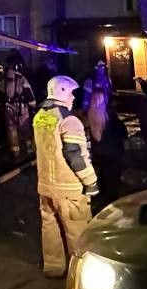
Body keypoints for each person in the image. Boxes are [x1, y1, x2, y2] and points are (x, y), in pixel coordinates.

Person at [32, 75, 99, 277]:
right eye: (70, 93)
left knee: (50, 228)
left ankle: (53, 267)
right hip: (68, 188)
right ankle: (80, 274)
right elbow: (75, 155)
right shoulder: (69, 121)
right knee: (78, 231)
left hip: (45, 186)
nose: (73, 98)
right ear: (61, 93)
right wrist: (91, 181)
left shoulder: (40, 116)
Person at [85, 88, 127, 210]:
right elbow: (121, 131)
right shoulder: (108, 114)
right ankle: (112, 202)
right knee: (113, 178)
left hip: (98, 152)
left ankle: (102, 198)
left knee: (103, 175)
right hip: (112, 151)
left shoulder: (90, 113)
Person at [2, 54, 37, 162]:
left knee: (11, 129)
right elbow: (29, 93)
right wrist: (33, 107)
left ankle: (15, 152)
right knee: (25, 128)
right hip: (21, 108)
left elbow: (2, 91)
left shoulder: (5, 77)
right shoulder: (21, 78)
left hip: (8, 107)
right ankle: (29, 151)